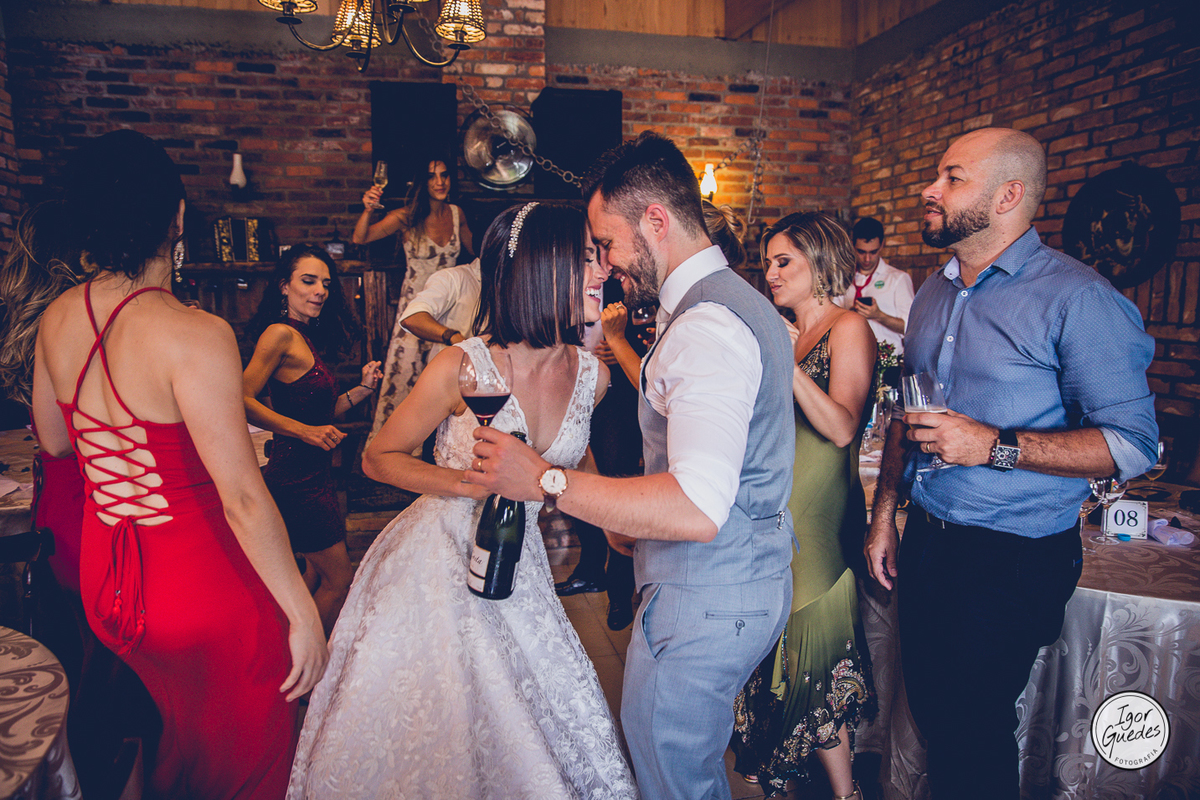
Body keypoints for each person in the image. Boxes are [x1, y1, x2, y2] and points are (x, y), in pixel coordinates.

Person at [468, 131, 796, 800]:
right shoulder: (727, 303)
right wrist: (631, 520)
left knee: (674, 780)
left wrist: (546, 480)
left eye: (608, 243)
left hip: (706, 598)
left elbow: (696, 508)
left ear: (655, 220)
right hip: (738, 582)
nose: (608, 265)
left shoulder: (706, 327)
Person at [289, 202, 638, 799]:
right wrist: (468, 483)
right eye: (586, 258)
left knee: (525, 716)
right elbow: (380, 456)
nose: (603, 270)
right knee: (446, 720)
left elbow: (573, 454)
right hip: (436, 564)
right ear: (541, 268)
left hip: (520, 563)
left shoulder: (593, 376)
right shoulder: (464, 366)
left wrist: (604, 519)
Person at [864, 127, 1158, 799]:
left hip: (1012, 557)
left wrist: (993, 445)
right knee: (934, 716)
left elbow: (1134, 443)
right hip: (929, 541)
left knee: (972, 735)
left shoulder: (1078, 298)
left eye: (952, 177)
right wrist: (885, 517)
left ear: (1008, 196)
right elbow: (907, 416)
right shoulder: (933, 293)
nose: (930, 189)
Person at [32, 129, 327, 800]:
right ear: (177, 217)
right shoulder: (195, 332)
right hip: (200, 587)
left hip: (108, 580)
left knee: (173, 731)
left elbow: (55, 440)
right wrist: (303, 611)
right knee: (251, 745)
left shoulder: (56, 317)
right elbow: (243, 499)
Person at [731, 212, 877, 799]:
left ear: (819, 261)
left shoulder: (849, 328)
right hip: (773, 509)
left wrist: (786, 362)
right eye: (767, 261)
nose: (770, 272)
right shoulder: (788, 331)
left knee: (814, 654)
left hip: (819, 519)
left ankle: (846, 794)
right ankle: (782, 780)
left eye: (783, 261)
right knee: (774, 651)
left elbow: (842, 428)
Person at [242, 244, 383, 636]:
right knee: (339, 580)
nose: (320, 290)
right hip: (296, 479)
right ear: (284, 286)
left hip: (315, 475)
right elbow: (241, 398)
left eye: (325, 283)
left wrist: (363, 390)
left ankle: (280, 649)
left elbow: (319, 413)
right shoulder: (279, 334)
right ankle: (308, 662)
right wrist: (304, 432)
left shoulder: (304, 337)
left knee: (315, 575)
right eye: (308, 281)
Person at [353, 158, 474, 443]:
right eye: (432, 176)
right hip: (416, 310)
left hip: (450, 311)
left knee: (445, 383)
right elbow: (361, 237)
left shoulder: (456, 214)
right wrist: (368, 209)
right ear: (422, 182)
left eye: (444, 175)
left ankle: (437, 449)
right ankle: (390, 448)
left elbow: (478, 251)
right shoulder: (406, 217)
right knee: (403, 379)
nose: (440, 182)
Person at [834, 217, 913, 356]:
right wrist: (849, 314)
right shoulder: (843, 278)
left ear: (882, 245)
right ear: (852, 245)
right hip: (852, 356)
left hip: (888, 360)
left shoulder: (898, 279)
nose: (867, 259)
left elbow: (910, 327)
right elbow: (831, 318)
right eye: (861, 252)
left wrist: (879, 316)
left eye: (873, 252)